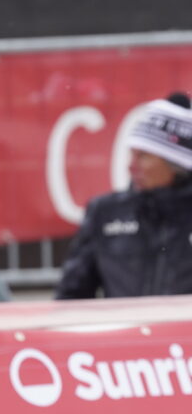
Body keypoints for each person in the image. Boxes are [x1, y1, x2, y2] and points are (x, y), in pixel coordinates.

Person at [56, 92, 192, 298]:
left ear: (177, 164)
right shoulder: (105, 212)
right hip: (126, 330)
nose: (131, 166)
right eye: (132, 154)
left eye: (144, 156)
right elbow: (71, 298)